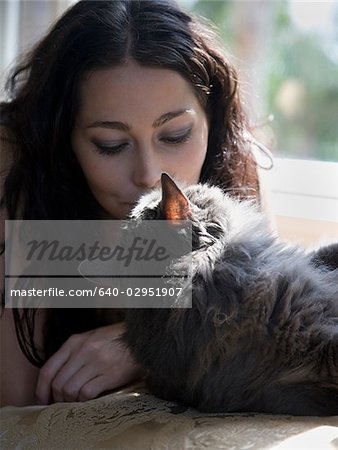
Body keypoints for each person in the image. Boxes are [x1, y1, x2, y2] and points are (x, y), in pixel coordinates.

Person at [0, 0, 261, 407]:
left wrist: (137, 347)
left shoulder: (232, 166)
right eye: (111, 144)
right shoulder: (16, 163)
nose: (148, 176)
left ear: (212, 120)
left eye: (175, 135)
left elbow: (266, 337)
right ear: (61, 139)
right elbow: (14, 405)